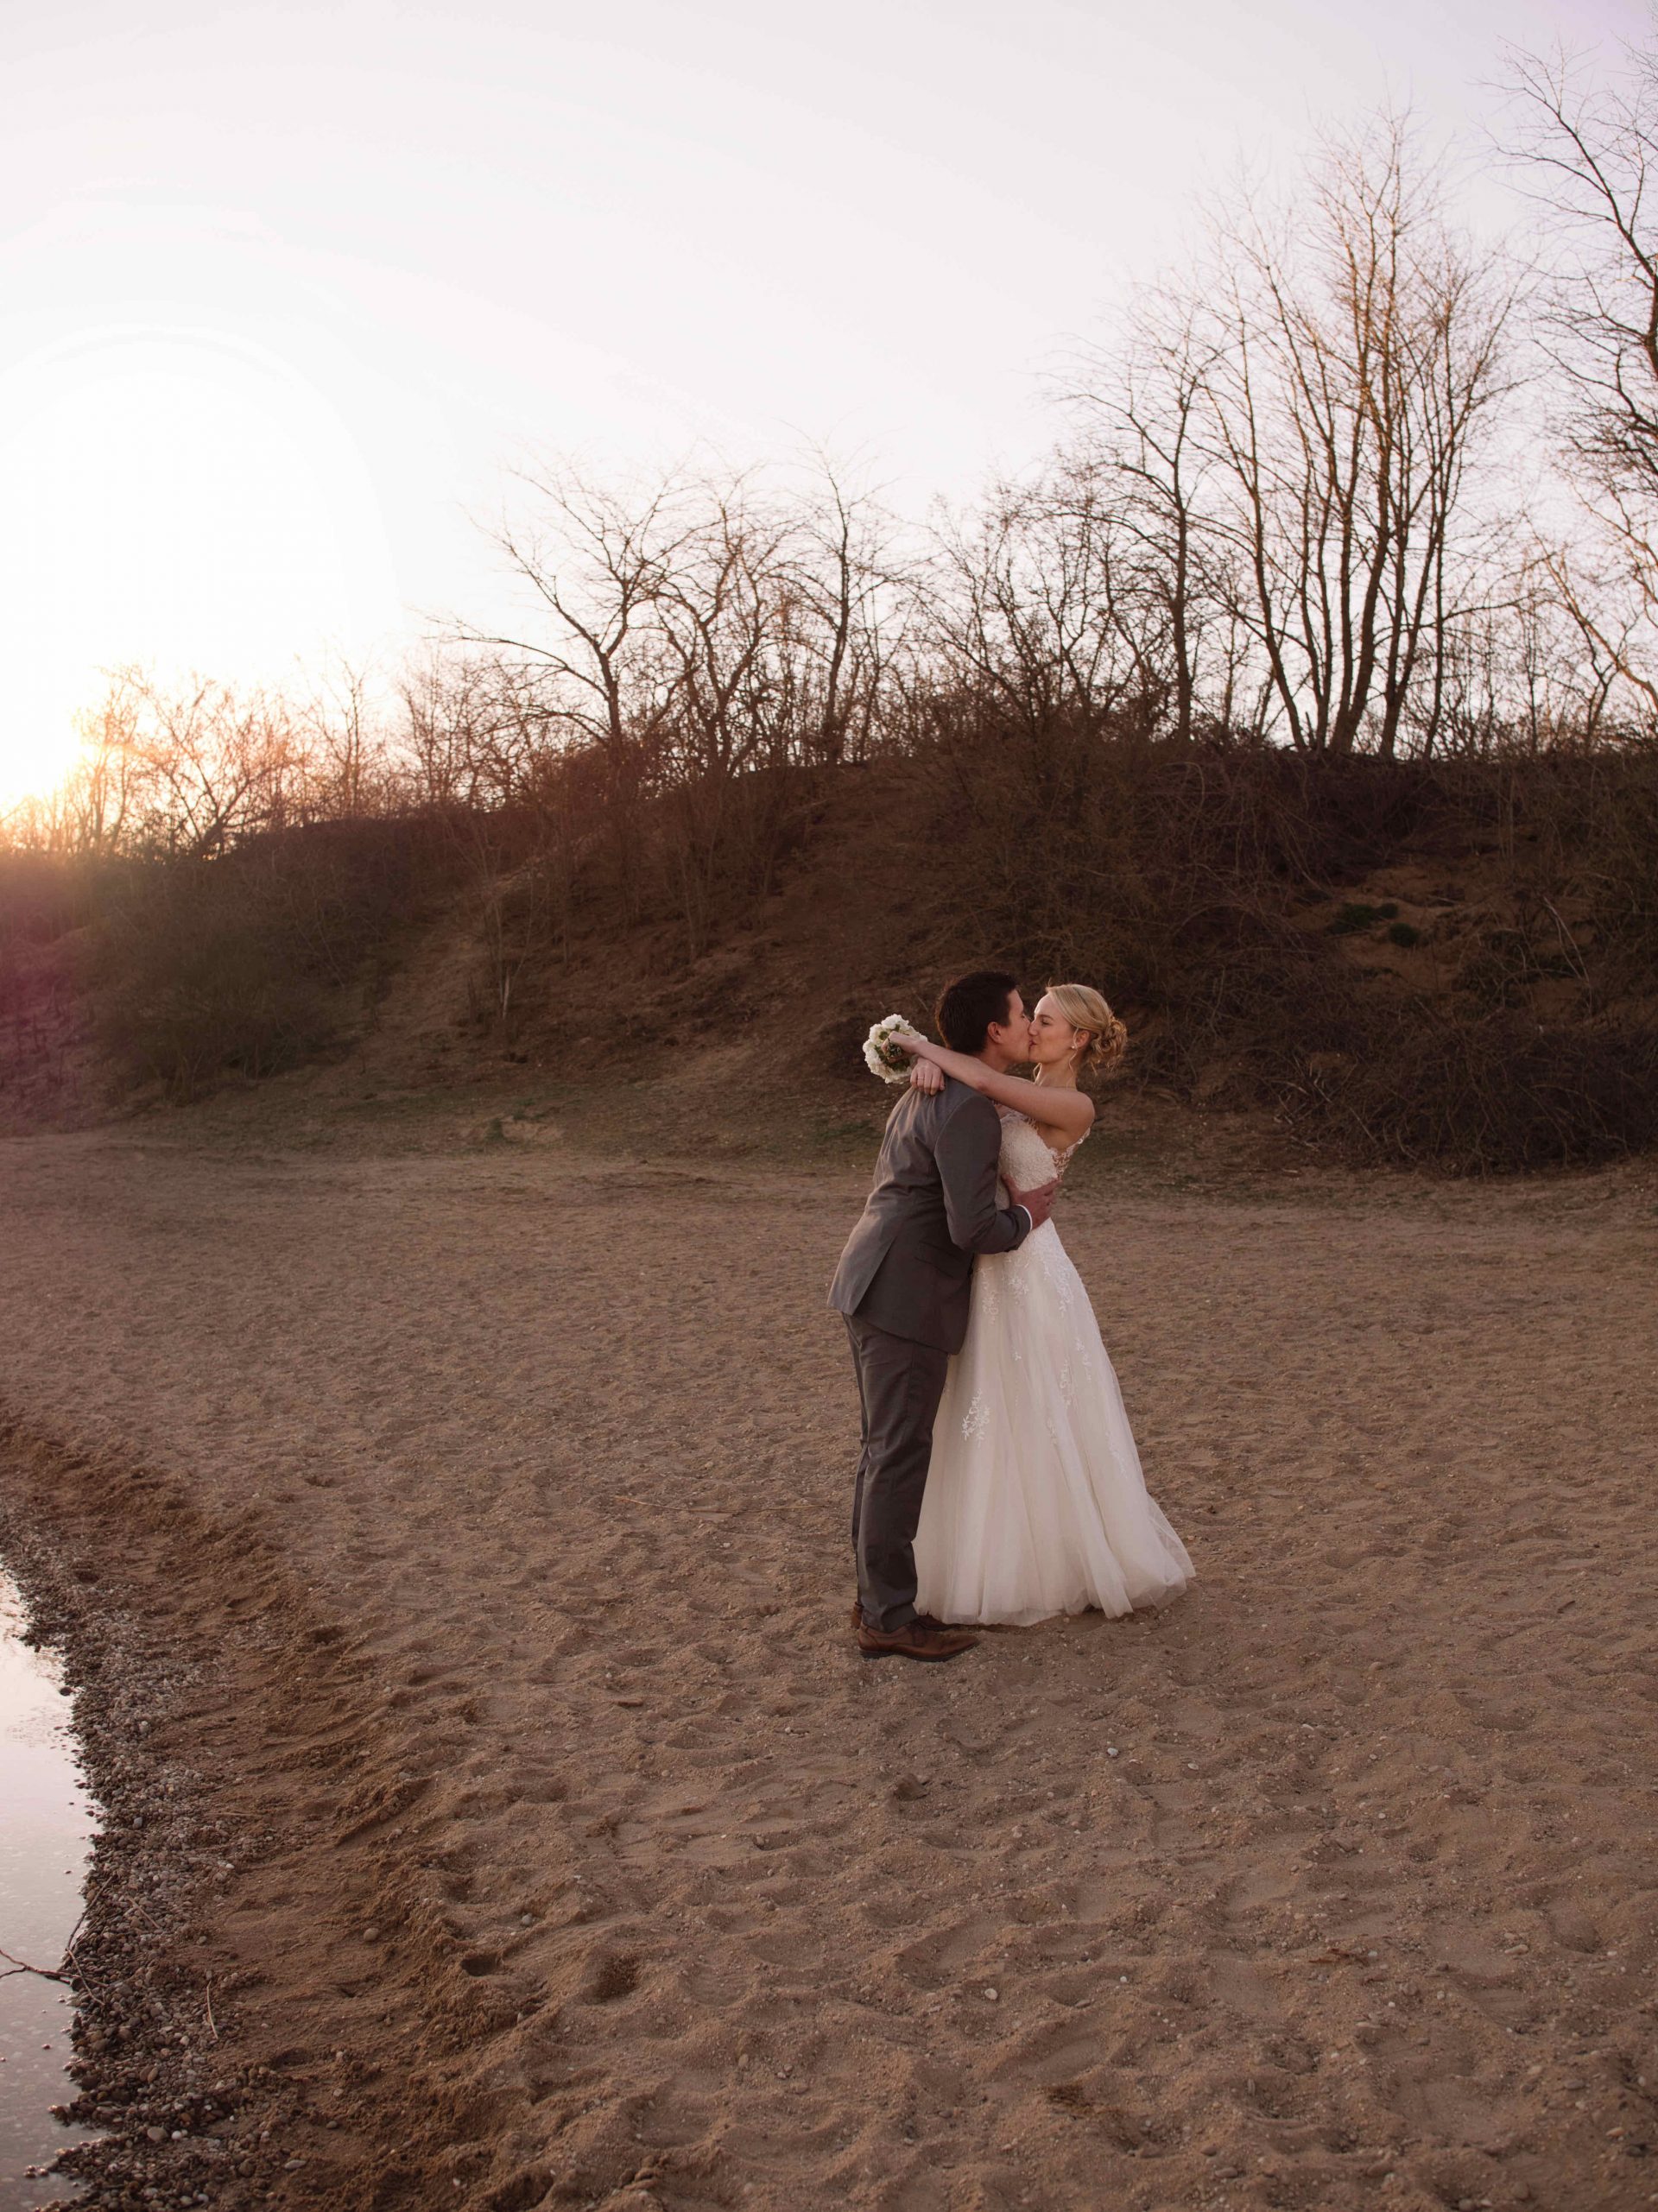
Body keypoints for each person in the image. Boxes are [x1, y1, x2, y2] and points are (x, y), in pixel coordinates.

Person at [895, 983, 1194, 1627]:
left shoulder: (1074, 1105)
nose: (1031, 1027)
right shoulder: (1009, 1087)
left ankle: (1057, 1560)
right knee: (985, 1403)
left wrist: (921, 1048)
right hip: (988, 1260)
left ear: (1079, 1039)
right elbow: (973, 1086)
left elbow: (981, 1079)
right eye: (1030, 1016)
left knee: (1041, 1403)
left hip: (1031, 1265)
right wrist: (931, 1067)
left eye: (1046, 1020)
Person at [828, 971, 1058, 1662]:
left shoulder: (932, 1089)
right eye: (1022, 1013)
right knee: (897, 1453)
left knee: (883, 1451)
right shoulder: (966, 1109)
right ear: (994, 1030)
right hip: (906, 1291)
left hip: (876, 1279)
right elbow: (973, 1229)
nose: (1029, 1023)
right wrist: (1026, 1217)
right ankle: (886, 1620)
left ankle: (879, 1602)